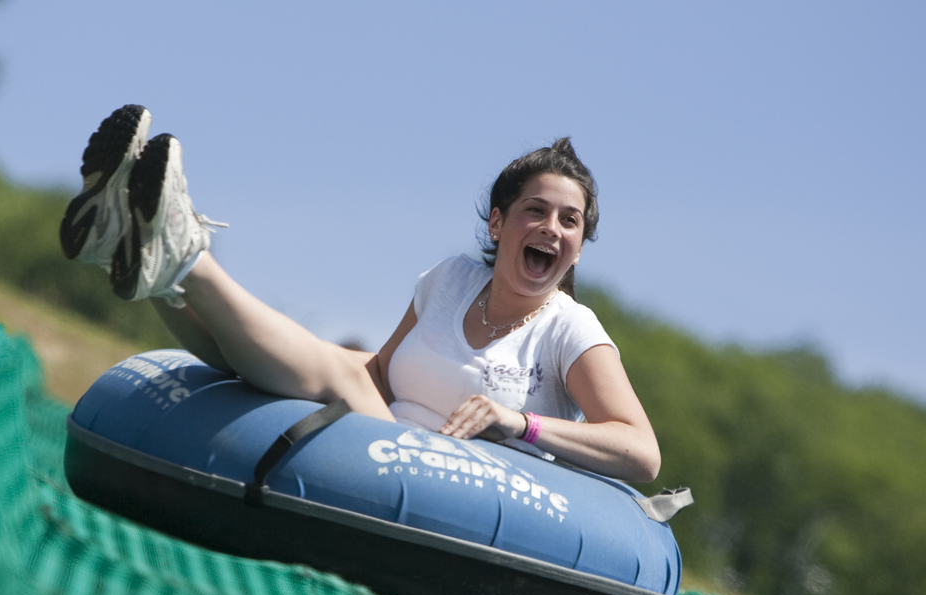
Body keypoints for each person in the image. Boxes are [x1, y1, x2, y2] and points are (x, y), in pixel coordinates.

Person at [61, 105, 660, 483]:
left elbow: (641, 452)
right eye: (536, 211)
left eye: (569, 221)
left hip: (470, 485)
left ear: (578, 248)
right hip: (382, 453)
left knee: (328, 370)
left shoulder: (570, 329)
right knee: (311, 360)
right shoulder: (452, 278)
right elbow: (377, 375)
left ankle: (184, 252)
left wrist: (518, 422)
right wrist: (304, 360)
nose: (552, 228)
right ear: (498, 224)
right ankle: (144, 255)